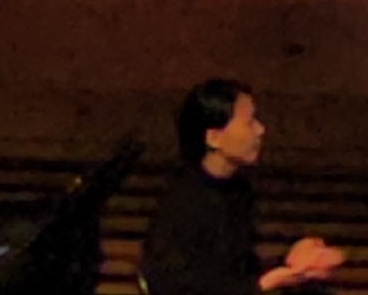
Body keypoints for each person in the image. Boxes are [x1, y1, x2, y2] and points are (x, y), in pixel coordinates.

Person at [141, 79, 344, 295]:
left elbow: (238, 270)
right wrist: (265, 283)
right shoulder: (183, 203)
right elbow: (176, 284)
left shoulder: (237, 190)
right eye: (249, 122)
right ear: (214, 137)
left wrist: (292, 262)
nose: (260, 130)